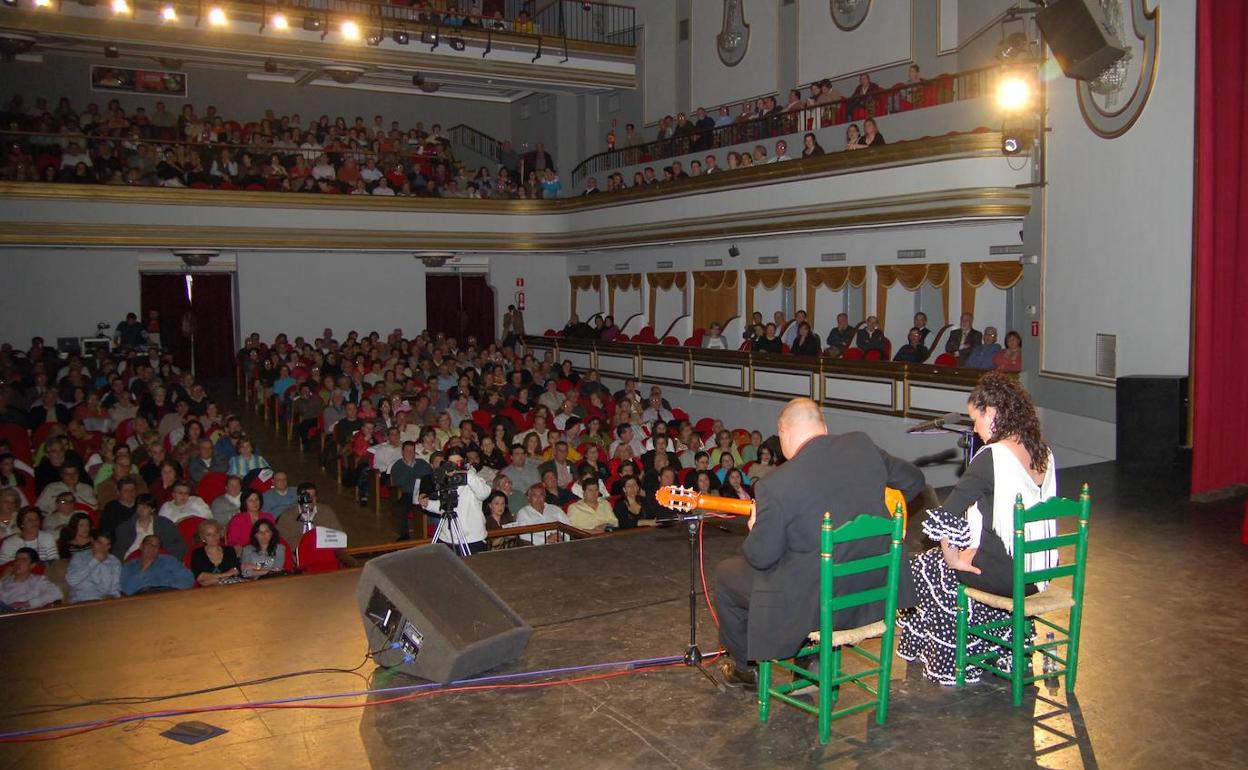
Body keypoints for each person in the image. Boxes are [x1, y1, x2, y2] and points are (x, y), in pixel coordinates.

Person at [712, 397, 925, 688]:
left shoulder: (775, 484)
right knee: (804, 562)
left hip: (817, 606)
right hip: (876, 592)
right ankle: (810, 662)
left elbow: (761, 557)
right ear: (823, 426)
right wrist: (889, 512)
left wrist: (754, 526)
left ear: (783, 432)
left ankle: (747, 669)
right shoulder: (862, 446)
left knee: (727, 574)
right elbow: (914, 480)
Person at [898, 372, 1057, 685]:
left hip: (1006, 577)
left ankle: (952, 660)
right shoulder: (1043, 453)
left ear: (993, 413)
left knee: (923, 566)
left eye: (976, 419)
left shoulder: (991, 458)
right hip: (1036, 576)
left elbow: (946, 518)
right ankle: (1000, 647)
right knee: (967, 556)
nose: (974, 428)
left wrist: (955, 558)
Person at [418, 448, 492, 554]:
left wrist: (466, 474)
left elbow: (484, 493)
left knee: (472, 569)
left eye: (458, 463)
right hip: (447, 537)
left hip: (471, 538)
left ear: (465, 462)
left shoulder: (473, 479)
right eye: (451, 463)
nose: (454, 467)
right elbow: (444, 507)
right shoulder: (444, 480)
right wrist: (428, 504)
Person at [112, 493, 185, 562]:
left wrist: (167, 561)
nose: (140, 511)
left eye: (145, 507)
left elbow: (178, 546)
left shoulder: (164, 524)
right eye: (138, 507)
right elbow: (118, 551)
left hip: (158, 561)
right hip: (132, 561)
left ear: (152, 509)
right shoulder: (124, 528)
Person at [120, 534, 195, 594]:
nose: (152, 547)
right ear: (141, 546)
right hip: (141, 602)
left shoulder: (169, 560)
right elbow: (126, 590)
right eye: (149, 544)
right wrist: (143, 569)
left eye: (156, 546)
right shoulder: (129, 566)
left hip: (169, 598)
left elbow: (188, 579)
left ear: (159, 550)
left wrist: (166, 590)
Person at [66, 530, 121, 602]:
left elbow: (115, 590)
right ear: (92, 540)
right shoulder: (79, 557)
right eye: (99, 543)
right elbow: (71, 581)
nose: (103, 548)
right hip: (81, 601)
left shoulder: (114, 562)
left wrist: (112, 597)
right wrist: (95, 561)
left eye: (107, 545)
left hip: (103, 602)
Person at [192, 518, 242, 586]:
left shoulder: (229, 550)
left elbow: (236, 571)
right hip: (206, 592)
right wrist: (227, 574)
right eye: (209, 535)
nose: (214, 536)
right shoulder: (197, 553)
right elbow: (200, 577)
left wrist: (212, 580)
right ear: (203, 538)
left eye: (216, 533)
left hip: (231, 587)